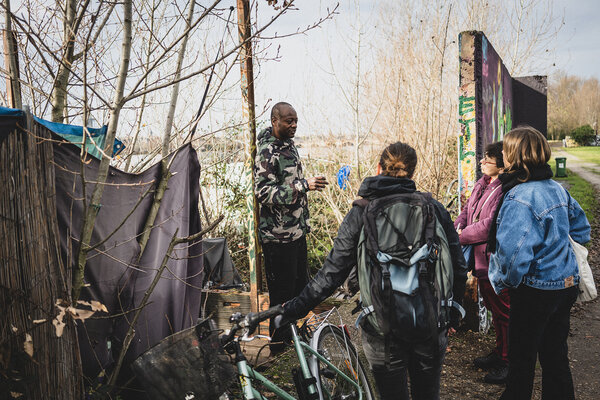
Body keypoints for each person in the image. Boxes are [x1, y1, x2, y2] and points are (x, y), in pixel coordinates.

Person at [280, 142, 467, 400]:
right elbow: (458, 264)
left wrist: (293, 309)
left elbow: (331, 274)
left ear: (379, 168)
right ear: (412, 172)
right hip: (430, 323)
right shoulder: (432, 209)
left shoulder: (361, 213)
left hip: (382, 330)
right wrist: (453, 312)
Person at [488, 126, 591, 400]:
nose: (502, 156)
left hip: (535, 290)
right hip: (565, 284)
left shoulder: (519, 196)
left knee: (521, 361)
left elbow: (512, 256)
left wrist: (507, 282)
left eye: (506, 151)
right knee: (555, 356)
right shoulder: (556, 188)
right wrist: (558, 251)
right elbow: (582, 230)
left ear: (516, 156)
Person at [254, 102, 328, 352]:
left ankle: (294, 339)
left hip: (296, 232)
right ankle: (278, 346)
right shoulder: (268, 151)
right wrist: (302, 186)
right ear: (275, 121)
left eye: (295, 120)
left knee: (299, 289)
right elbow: (263, 193)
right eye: (288, 121)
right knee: (281, 295)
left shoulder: (288, 146)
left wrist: (306, 185)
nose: (294, 125)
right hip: (277, 238)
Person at [454, 141, 509, 384]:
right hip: (479, 261)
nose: (482, 162)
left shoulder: (504, 189)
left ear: (501, 162)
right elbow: (467, 210)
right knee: (495, 311)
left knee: (504, 312)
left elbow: (489, 226)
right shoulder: (482, 184)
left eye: (487, 159)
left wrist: (461, 236)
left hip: (492, 261)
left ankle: (509, 362)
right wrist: (457, 226)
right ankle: (500, 353)